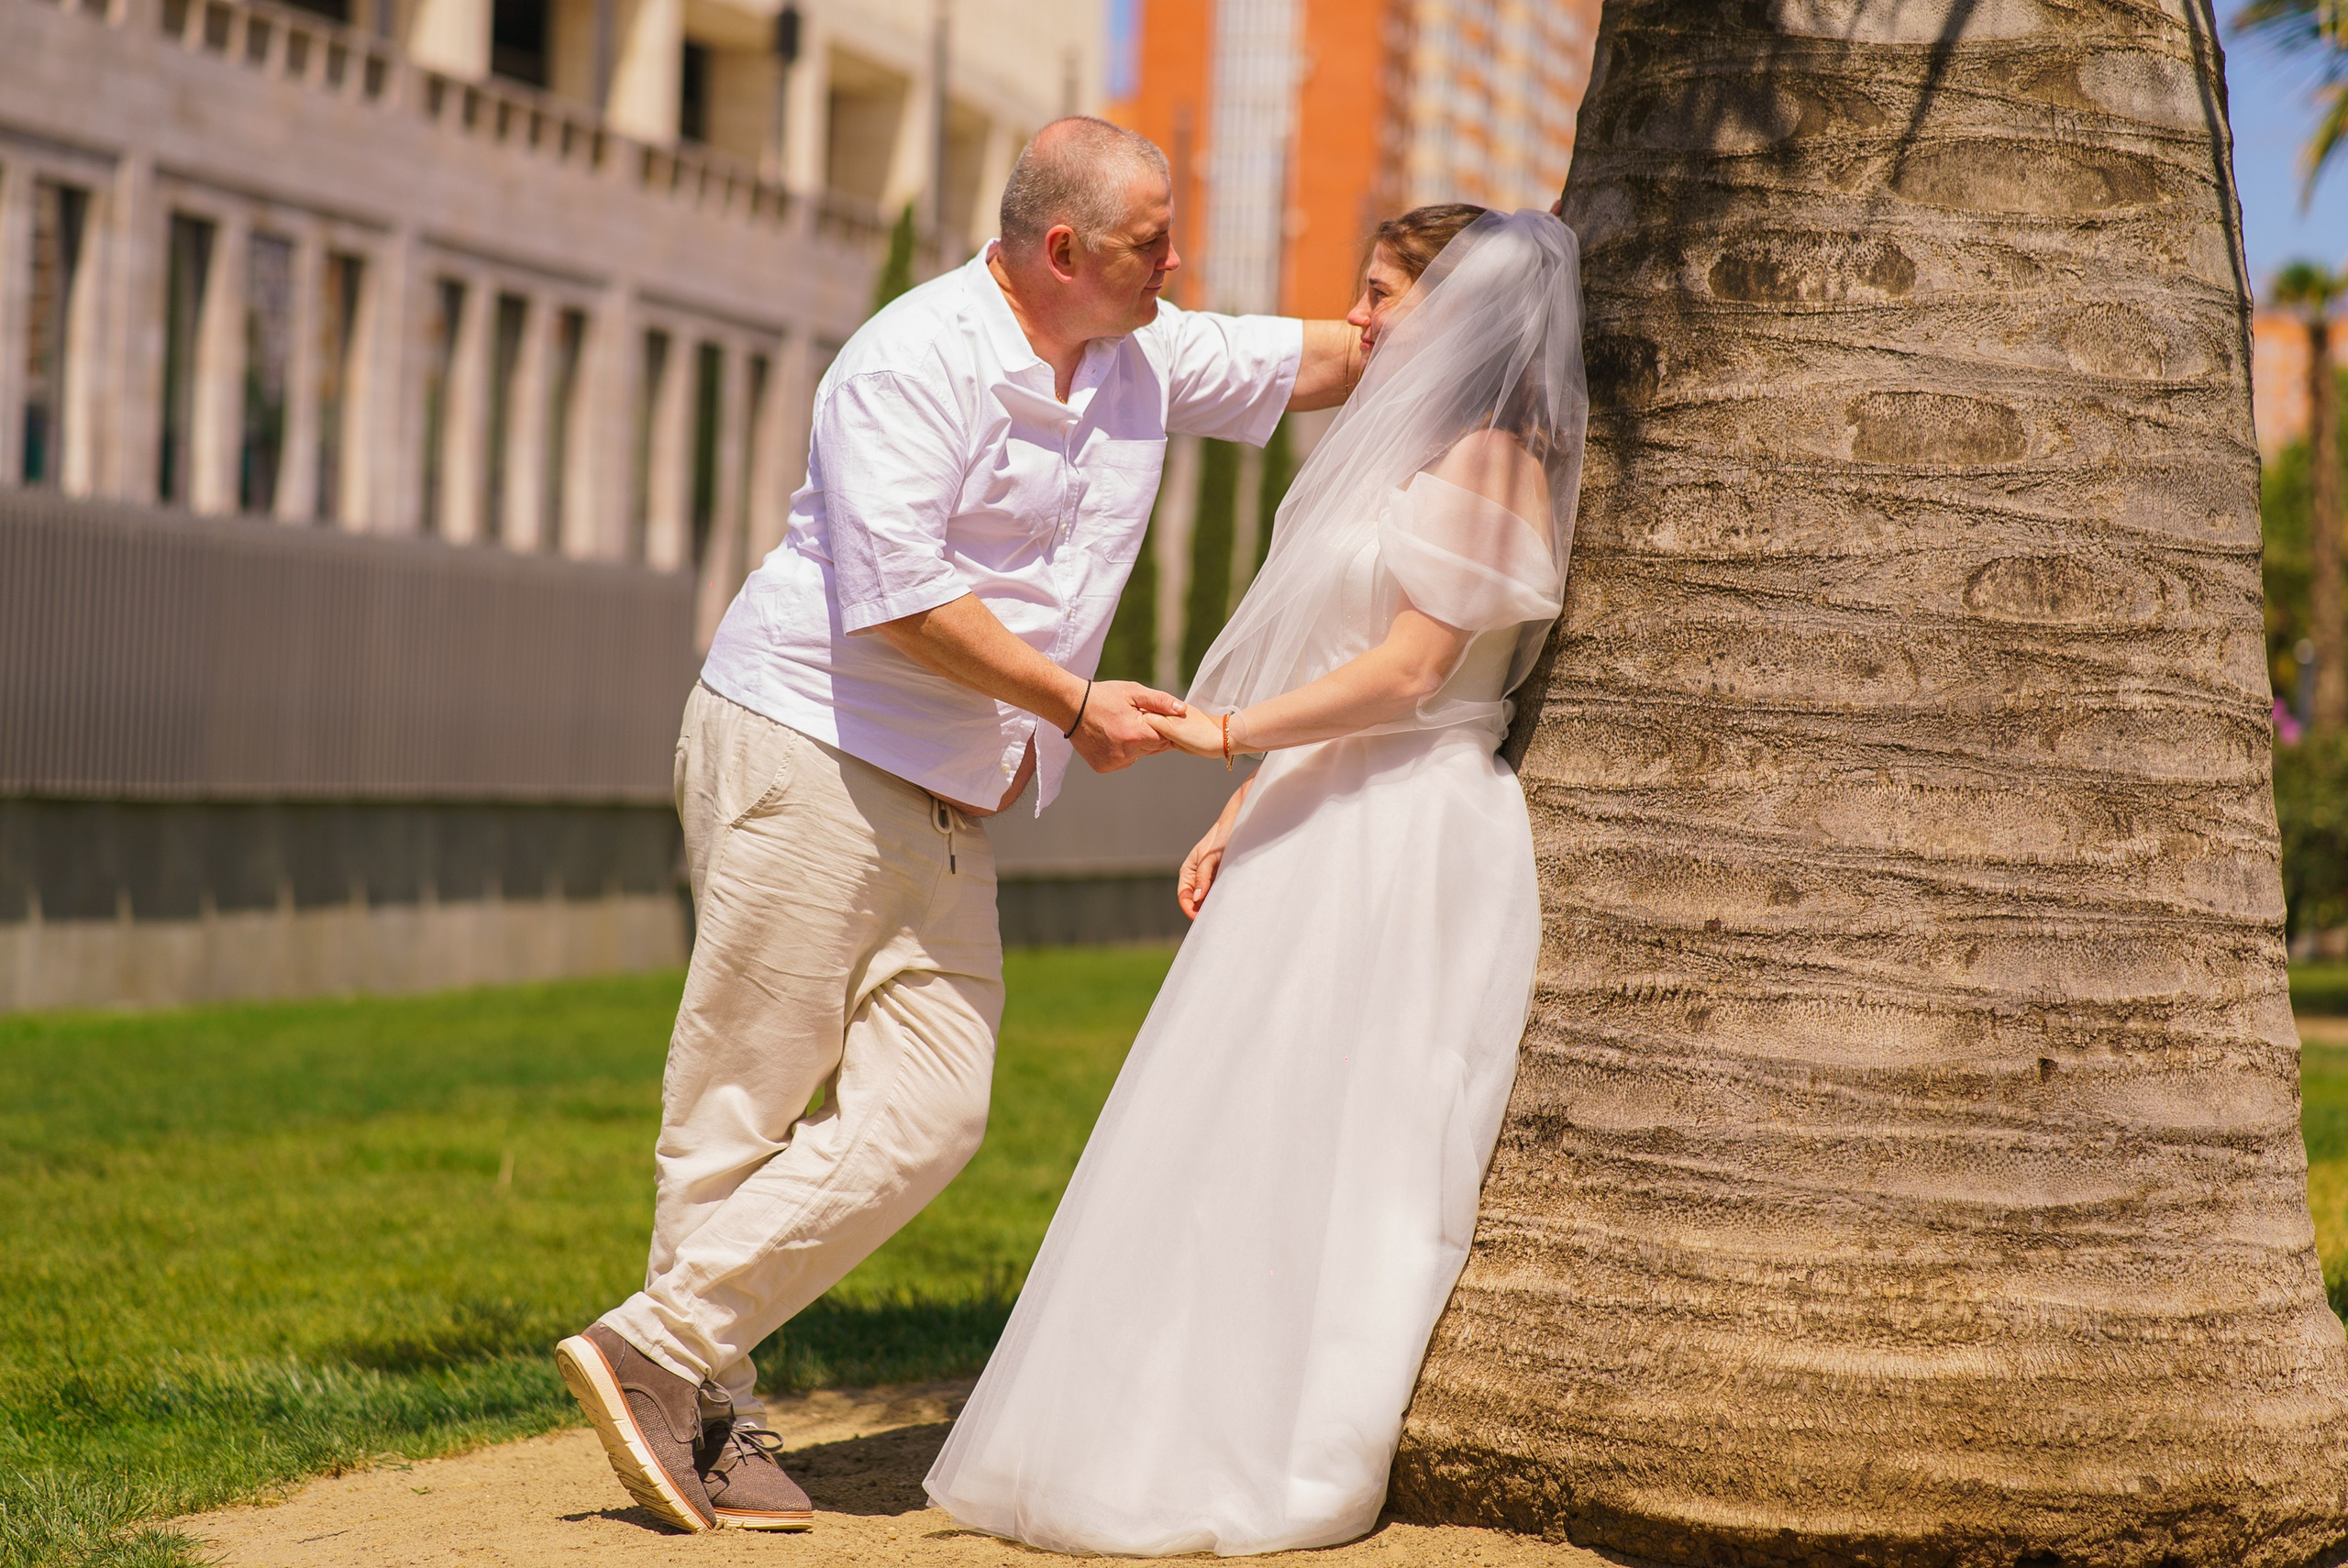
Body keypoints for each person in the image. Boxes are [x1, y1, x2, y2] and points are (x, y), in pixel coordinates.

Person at [553, 116, 1365, 1535]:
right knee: (741, 1104)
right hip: (806, 746)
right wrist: (1073, 704)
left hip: (943, 793)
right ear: (1062, 251)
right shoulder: (908, 359)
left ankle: (658, 1342)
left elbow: (1319, 359)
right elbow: (901, 596)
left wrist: (1467, 300)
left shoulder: (1140, 350)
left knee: (938, 1109)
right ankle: (710, 1411)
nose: (1178, 264)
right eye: (1147, 243)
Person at [924, 204, 1587, 1556]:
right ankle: (1145, 1422)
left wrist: (1227, 733)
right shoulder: (1403, 451)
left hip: (1408, 831)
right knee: (1232, 1121)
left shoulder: (1499, 459)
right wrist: (1253, 793)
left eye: (1383, 291)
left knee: (1352, 1137)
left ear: (1458, 312)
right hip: (1321, 811)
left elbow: (1409, 675)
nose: (1360, 317)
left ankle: (1282, 1445)